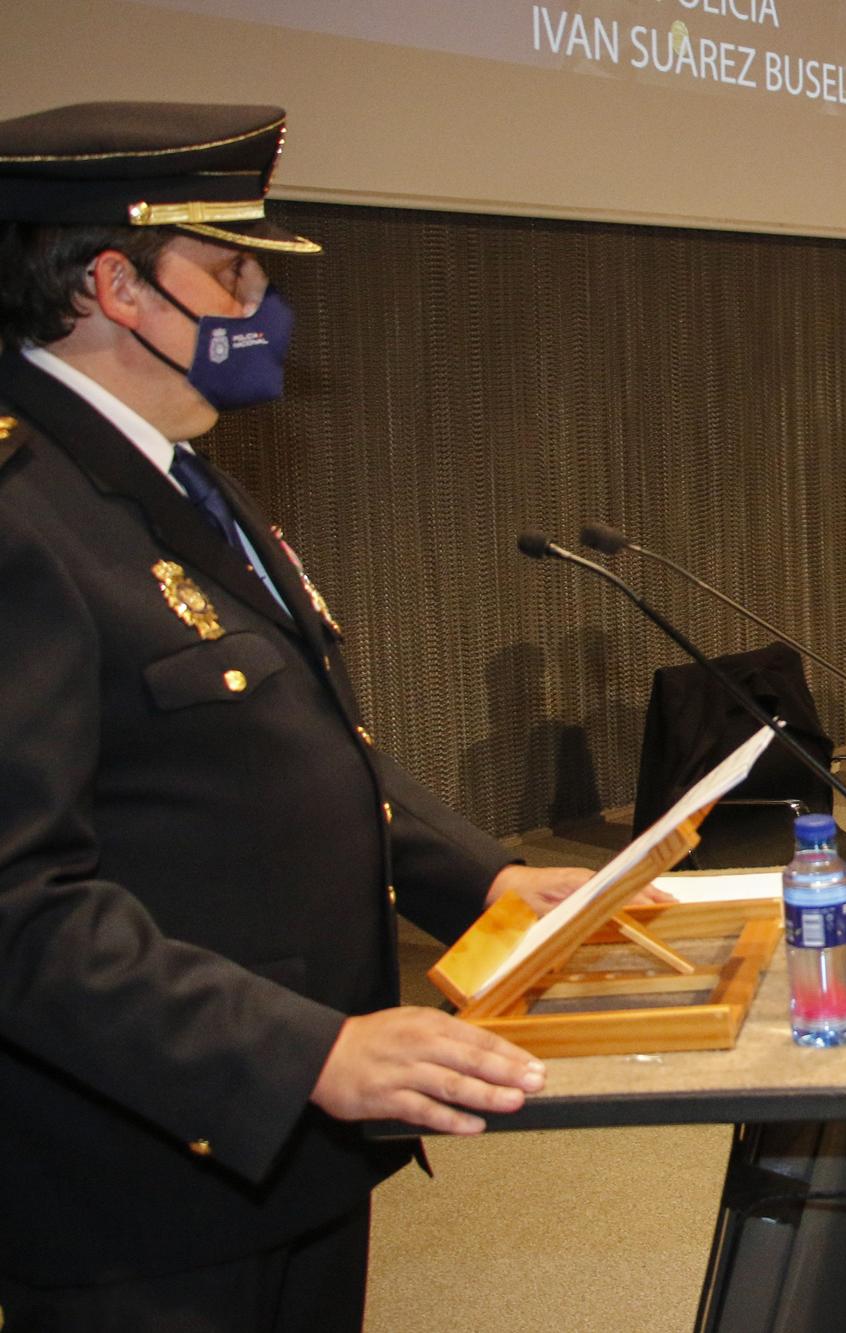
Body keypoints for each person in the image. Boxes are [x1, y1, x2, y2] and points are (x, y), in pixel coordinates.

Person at [0, 102, 593, 1329]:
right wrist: (302, 1054)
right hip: (147, 1181)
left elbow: (301, 746)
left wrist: (480, 883)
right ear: (114, 285)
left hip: (291, 1151)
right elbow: (20, 908)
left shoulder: (177, 473)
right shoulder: (22, 511)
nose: (263, 303)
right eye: (230, 269)